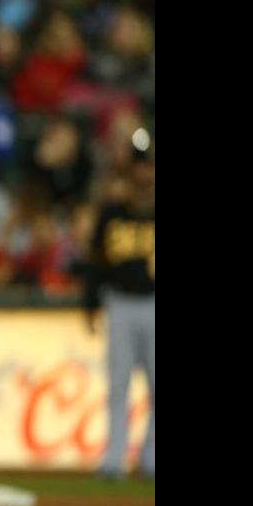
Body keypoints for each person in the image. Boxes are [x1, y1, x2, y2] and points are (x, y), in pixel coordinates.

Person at [82, 133, 155, 481]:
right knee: (118, 383)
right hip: (121, 302)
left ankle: (151, 457)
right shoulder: (112, 213)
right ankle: (114, 457)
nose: (146, 175)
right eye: (141, 168)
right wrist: (90, 303)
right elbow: (95, 263)